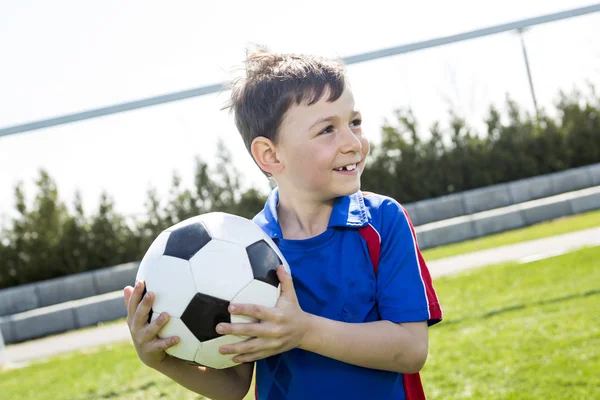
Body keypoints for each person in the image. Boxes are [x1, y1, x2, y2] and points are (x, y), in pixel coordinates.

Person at [124, 46, 443, 400]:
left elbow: (412, 349)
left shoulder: (383, 223)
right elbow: (234, 386)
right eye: (327, 130)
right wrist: (162, 360)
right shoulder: (243, 248)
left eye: (354, 122)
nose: (353, 143)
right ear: (270, 154)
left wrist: (303, 331)